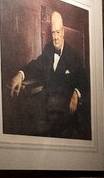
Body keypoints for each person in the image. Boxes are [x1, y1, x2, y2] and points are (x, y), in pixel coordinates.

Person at [7, 10, 89, 138]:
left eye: (57, 32)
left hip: (63, 109)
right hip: (46, 103)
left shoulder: (73, 56)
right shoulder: (48, 49)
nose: (55, 37)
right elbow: (36, 65)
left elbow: (84, 80)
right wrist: (20, 74)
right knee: (22, 111)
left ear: (63, 32)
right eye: (52, 33)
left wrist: (76, 94)